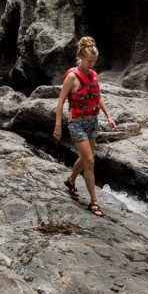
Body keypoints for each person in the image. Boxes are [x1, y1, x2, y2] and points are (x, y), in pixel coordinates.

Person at [53, 36, 117, 216]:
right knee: (89, 161)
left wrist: (108, 116)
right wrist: (58, 125)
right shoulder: (72, 77)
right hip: (77, 124)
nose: (92, 65)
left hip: (92, 123)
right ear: (81, 57)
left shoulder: (93, 75)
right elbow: (60, 101)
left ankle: (71, 180)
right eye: (89, 61)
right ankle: (94, 202)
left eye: (94, 62)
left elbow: (98, 96)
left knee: (84, 158)